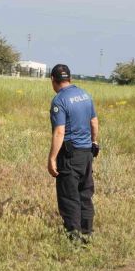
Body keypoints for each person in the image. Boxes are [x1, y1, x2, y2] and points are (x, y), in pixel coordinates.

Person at [47, 64, 99, 243]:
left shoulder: (59, 100)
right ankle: (87, 233)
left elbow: (59, 132)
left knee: (69, 197)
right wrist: (94, 142)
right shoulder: (85, 95)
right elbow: (94, 122)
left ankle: (73, 238)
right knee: (85, 194)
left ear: (53, 80)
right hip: (86, 154)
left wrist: (52, 158)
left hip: (69, 156)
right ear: (69, 78)